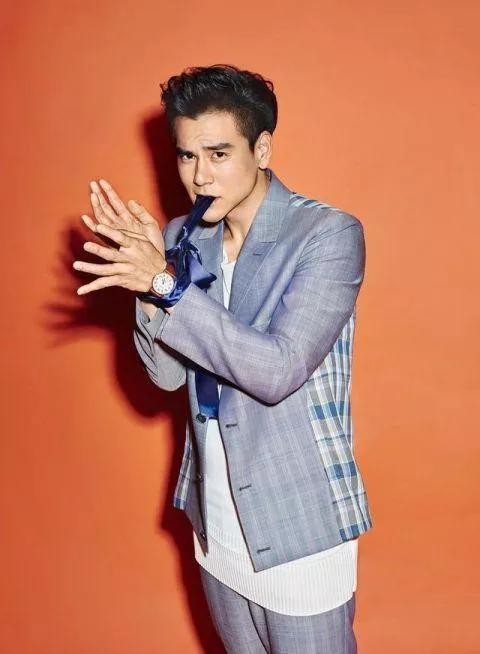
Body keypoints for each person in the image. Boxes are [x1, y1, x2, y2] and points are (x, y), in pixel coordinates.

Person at [73, 64, 374, 653]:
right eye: (187, 156)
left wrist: (165, 284)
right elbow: (166, 377)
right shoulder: (184, 236)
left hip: (297, 517)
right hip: (215, 518)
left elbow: (277, 371)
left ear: (262, 149)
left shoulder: (327, 235)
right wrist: (148, 287)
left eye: (218, 154)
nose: (199, 175)